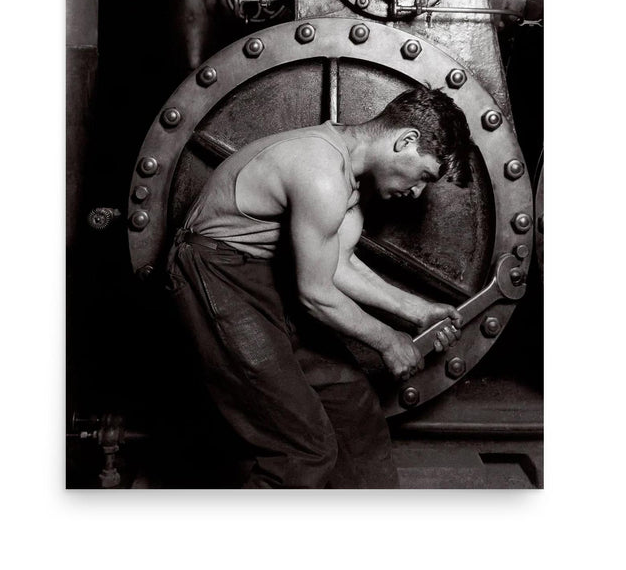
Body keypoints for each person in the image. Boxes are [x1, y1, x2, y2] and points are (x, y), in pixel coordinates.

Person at [165, 85, 473, 488]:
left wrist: (416, 309)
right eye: (424, 176)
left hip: (261, 275)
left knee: (352, 408)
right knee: (302, 447)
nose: (416, 192)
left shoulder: (348, 178)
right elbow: (314, 293)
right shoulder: (321, 172)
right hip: (213, 275)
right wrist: (388, 341)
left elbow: (336, 265)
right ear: (406, 140)